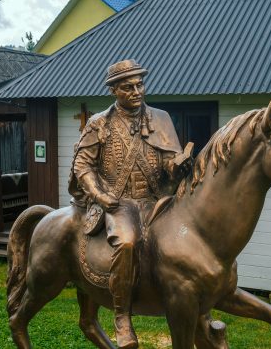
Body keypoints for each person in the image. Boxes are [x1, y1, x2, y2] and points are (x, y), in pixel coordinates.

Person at [68, 59, 190, 348]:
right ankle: (122, 317)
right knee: (127, 242)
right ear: (114, 91)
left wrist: (178, 166)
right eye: (128, 87)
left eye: (140, 85)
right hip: (118, 203)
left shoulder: (161, 119)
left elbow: (167, 161)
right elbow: (82, 166)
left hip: (157, 199)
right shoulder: (99, 123)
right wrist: (99, 195)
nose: (136, 91)